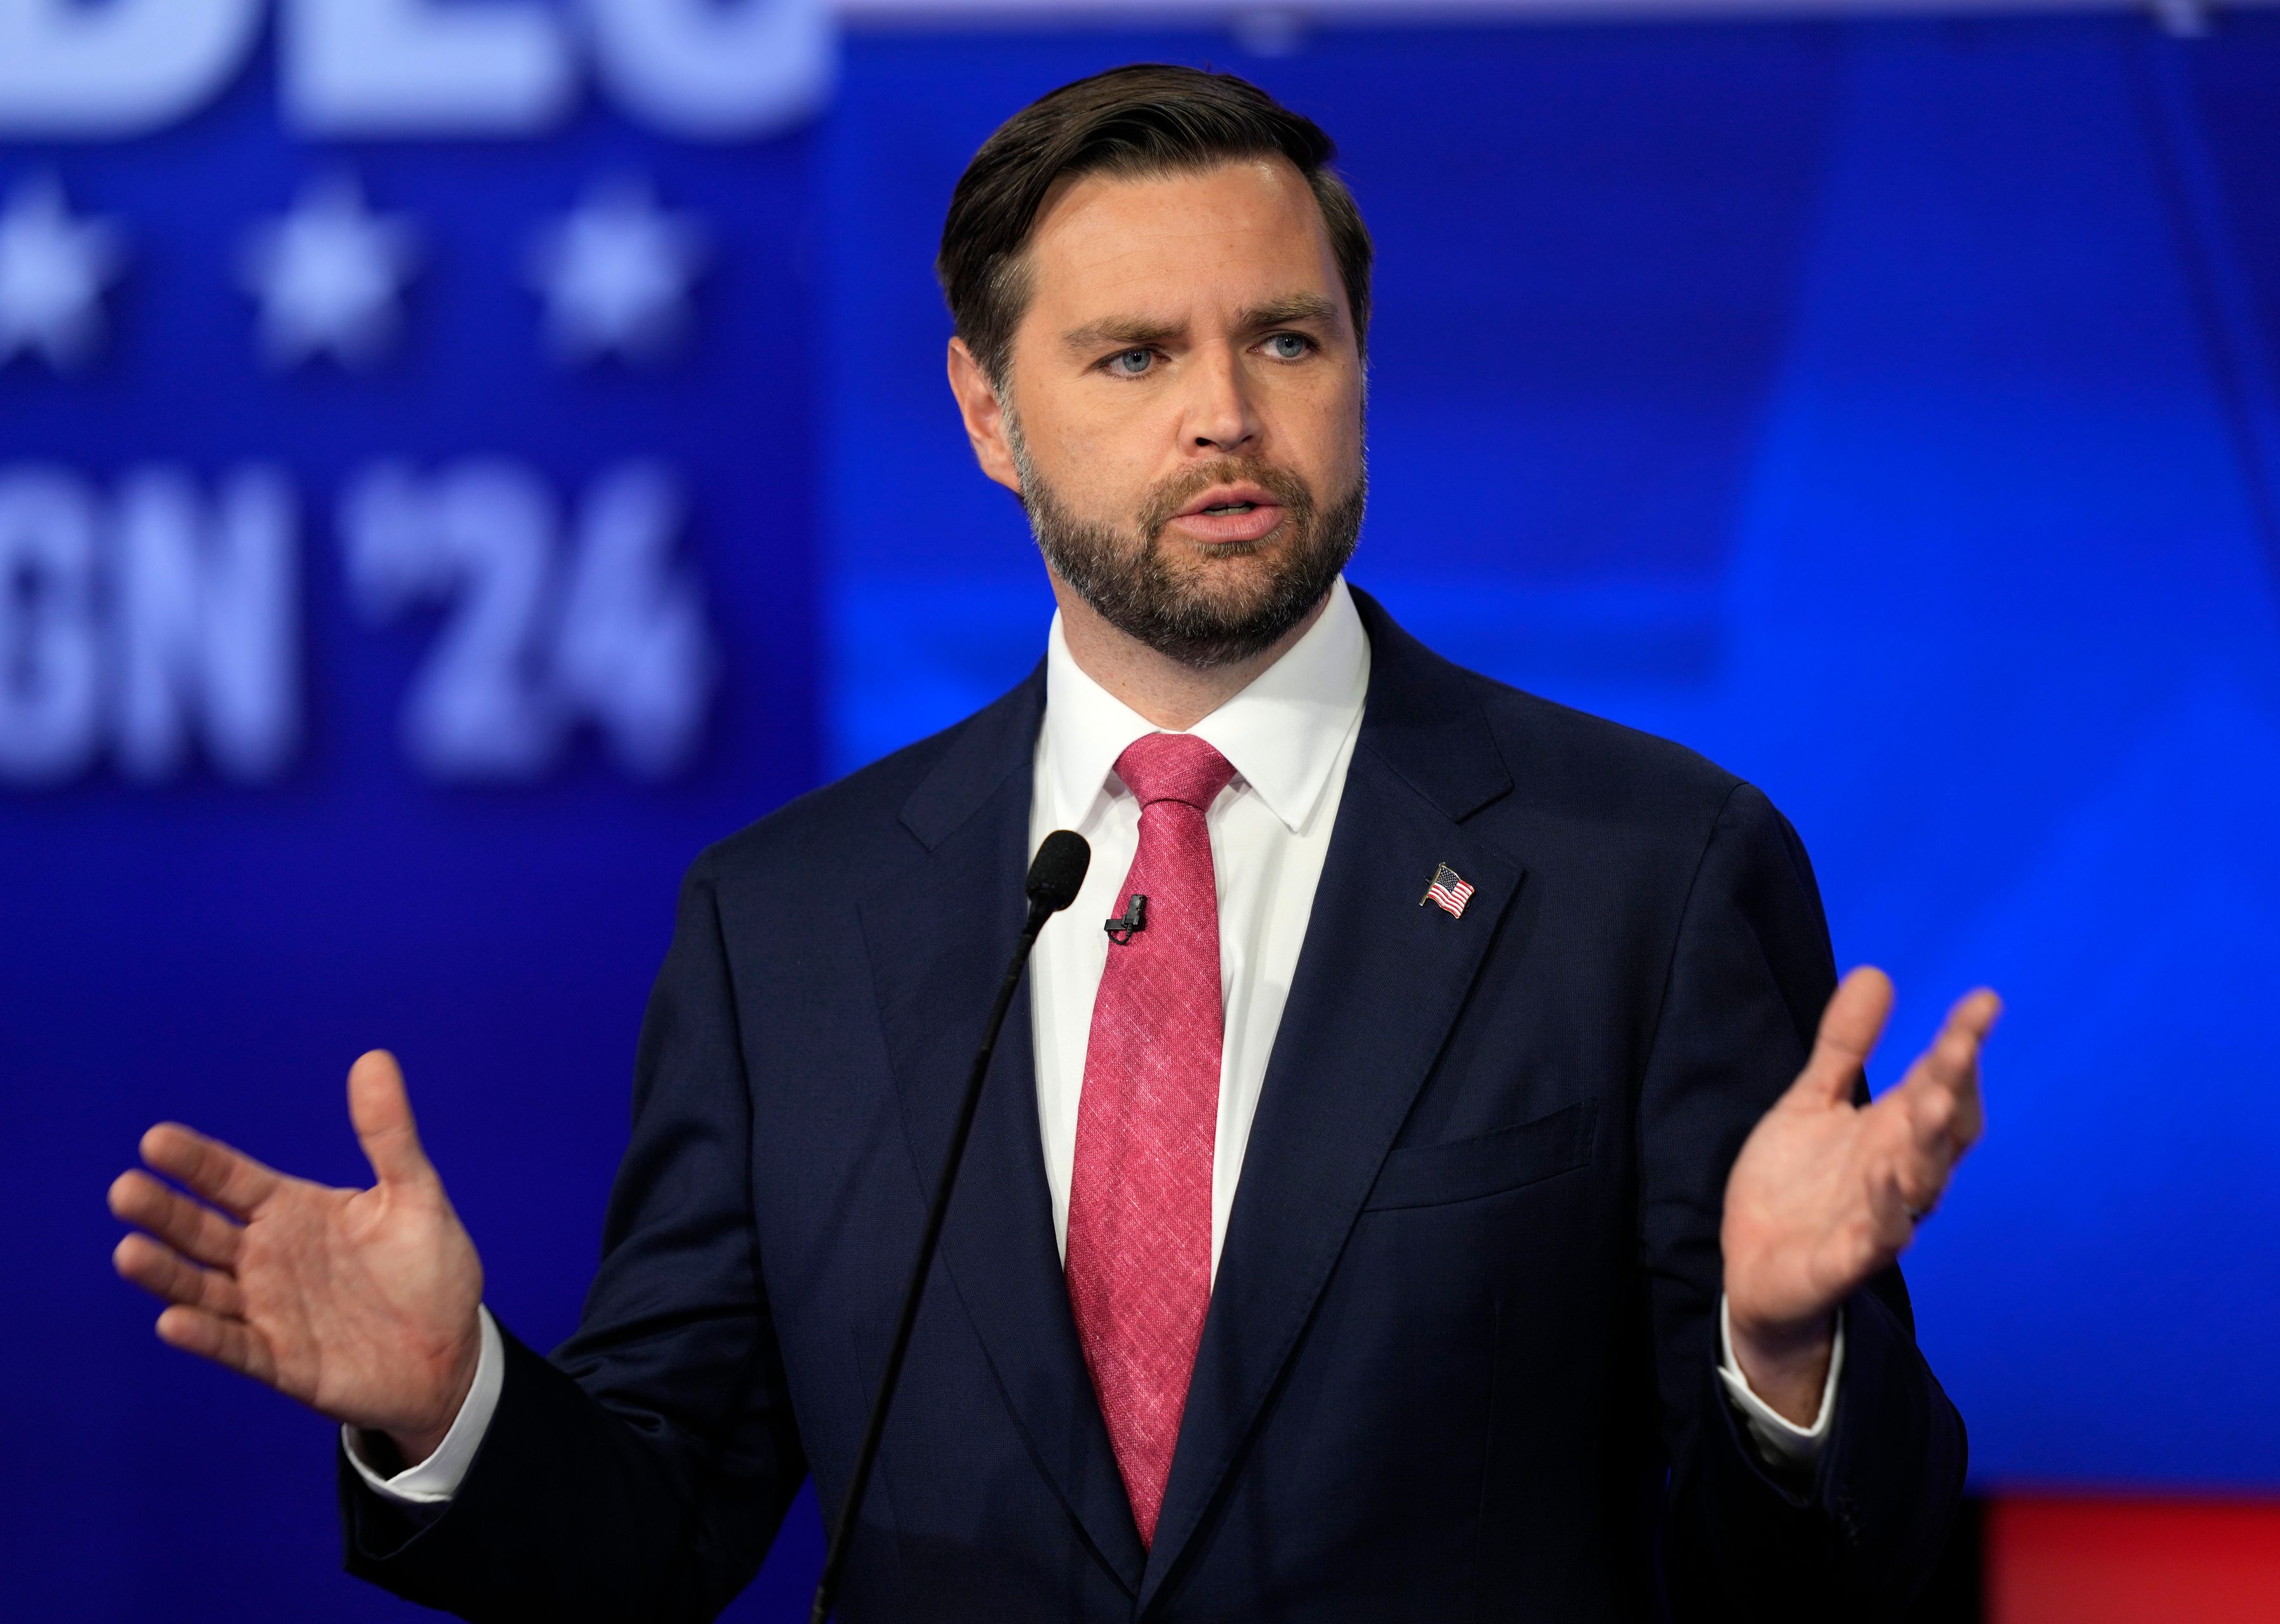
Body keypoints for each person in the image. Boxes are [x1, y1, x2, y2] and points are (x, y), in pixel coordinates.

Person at [107, 65, 1998, 1622]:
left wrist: (1783, 1361)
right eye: (1131, 358)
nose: (1226, 416)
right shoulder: (792, 929)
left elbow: (1838, 1583)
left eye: (1286, 338)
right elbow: (658, 1536)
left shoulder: (1643, 877)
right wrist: (460, 1406)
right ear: (987, 410)